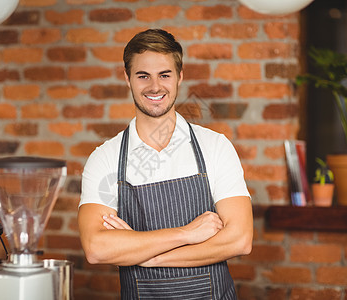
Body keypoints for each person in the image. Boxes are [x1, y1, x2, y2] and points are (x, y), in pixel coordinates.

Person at [78, 28, 253, 299]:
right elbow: (97, 248)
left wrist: (146, 256)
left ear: (180, 77)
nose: (155, 86)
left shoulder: (215, 146)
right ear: (127, 79)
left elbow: (239, 240)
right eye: (143, 75)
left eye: (165, 75)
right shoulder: (105, 159)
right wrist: (186, 234)